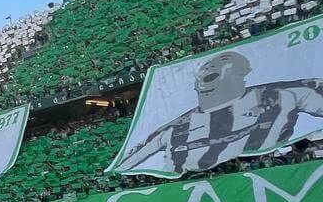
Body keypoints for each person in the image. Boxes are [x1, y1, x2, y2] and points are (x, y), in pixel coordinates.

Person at [114, 51, 323, 174]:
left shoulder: (282, 95)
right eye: (208, 65)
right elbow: (125, 165)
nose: (210, 68)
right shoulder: (173, 129)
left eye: (222, 62)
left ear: (242, 74)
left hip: (272, 170)